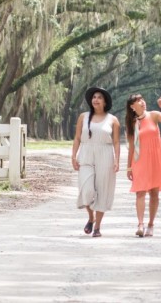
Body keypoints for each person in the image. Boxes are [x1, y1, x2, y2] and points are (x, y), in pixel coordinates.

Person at [125, 92, 161, 237]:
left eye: (142, 99)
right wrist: (129, 167)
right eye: (138, 100)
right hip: (139, 161)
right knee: (140, 192)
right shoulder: (132, 123)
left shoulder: (154, 115)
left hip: (155, 159)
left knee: (154, 193)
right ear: (132, 106)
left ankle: (151, 225)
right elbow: (131, 146)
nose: (142, 102)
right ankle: (140, 224)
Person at [71, 86, 120, 238]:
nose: (96, 100)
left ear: (105, 102)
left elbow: (117, 142)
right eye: (94, 97)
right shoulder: (83, 117)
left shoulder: (113, 120)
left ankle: (97, 226)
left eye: (99, 97)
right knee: (86, 190)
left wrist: (117, 160)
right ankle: (90, 217)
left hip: (105, 155)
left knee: (103, 191)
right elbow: (78, 137)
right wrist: (73, 156)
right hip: (86, 154)